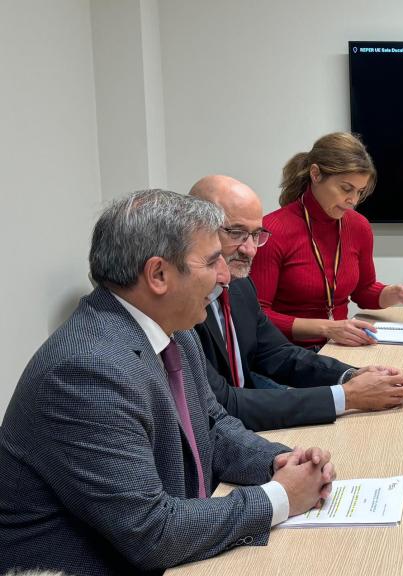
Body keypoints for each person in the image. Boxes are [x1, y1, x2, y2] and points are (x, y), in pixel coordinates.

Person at [0, 190, 336, 574]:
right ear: (158, 275)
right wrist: (279, 497)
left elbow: (213, 424)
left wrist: (277, 460)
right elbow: (150, 533)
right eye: (212, 262)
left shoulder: (172, 328)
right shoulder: (85, 372)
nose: (225, 277)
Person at [189, 175, 403, 431]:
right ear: (195, 231)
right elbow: (226, 404)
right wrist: (347, 396)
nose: (250, 249)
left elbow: (276, 353)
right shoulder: (182, 304)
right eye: (237, 233)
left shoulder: (239, 285)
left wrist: (351, 376)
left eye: (256, 234)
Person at [250, 132, 403, 347]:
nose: (353, 200)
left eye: (360, 192)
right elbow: (256, 317)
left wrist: (395, 293)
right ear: (315, 174)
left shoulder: (358, 226)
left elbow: (364, 291)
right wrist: (326, 328)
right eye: (346, 188)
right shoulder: (272, 231)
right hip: (288, 353)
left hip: (340, 345)